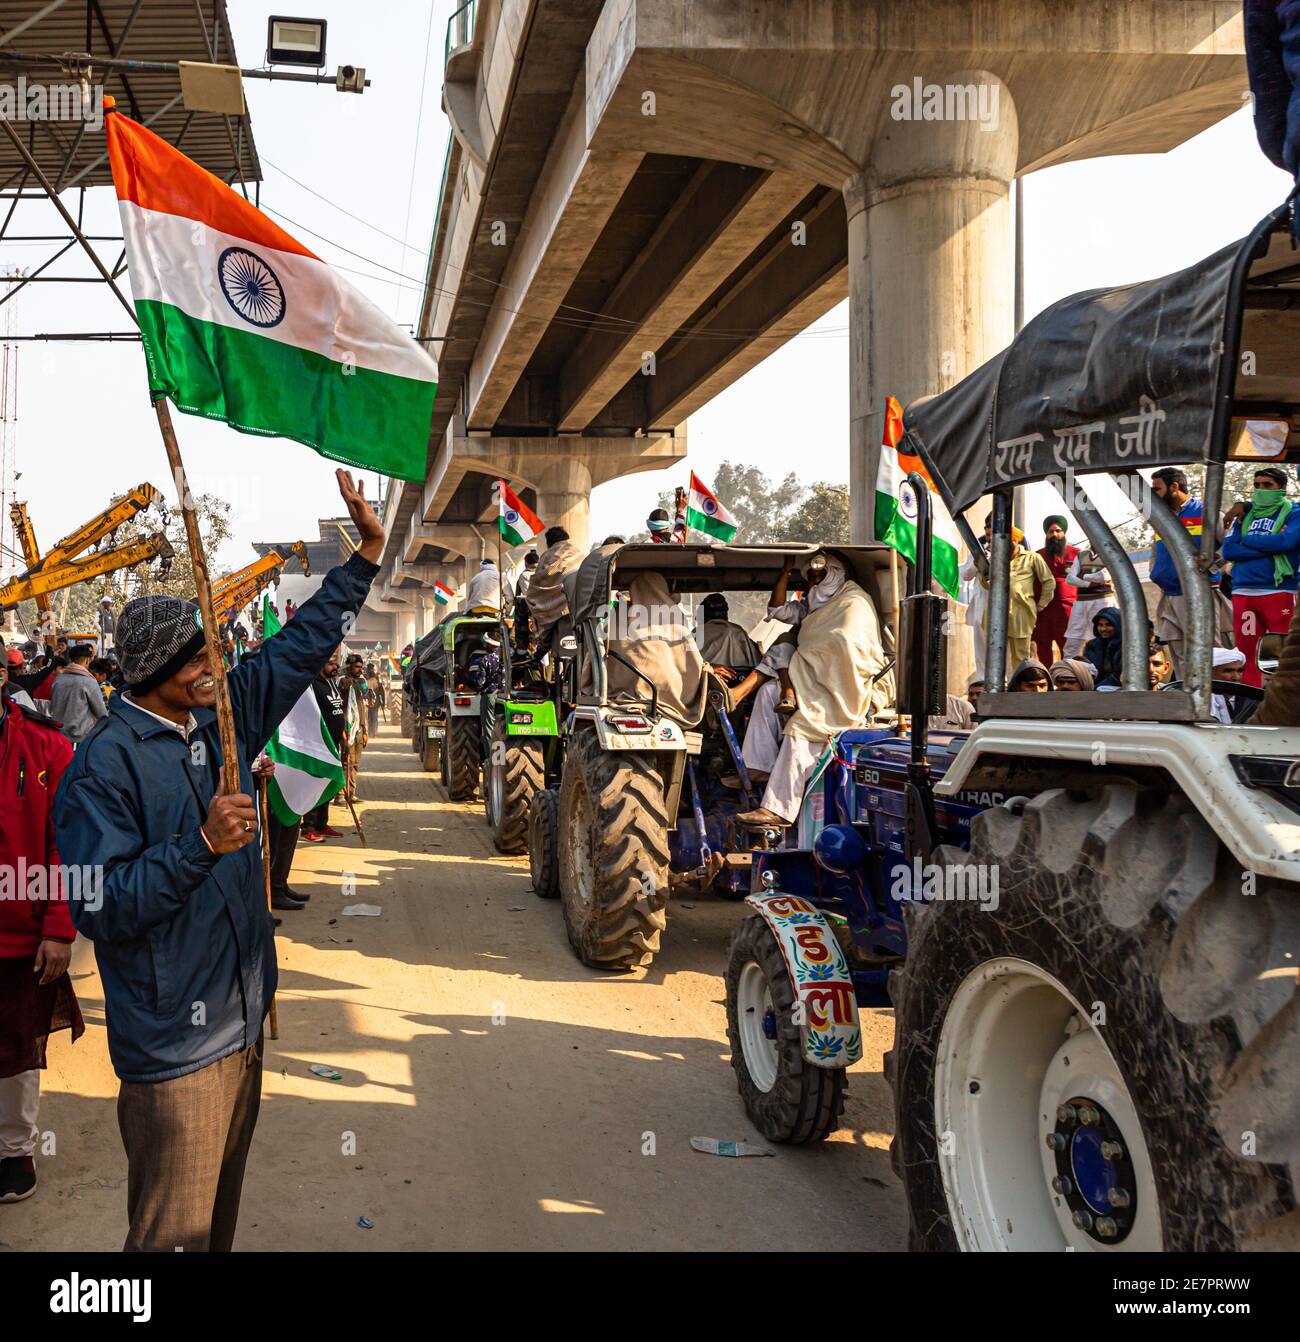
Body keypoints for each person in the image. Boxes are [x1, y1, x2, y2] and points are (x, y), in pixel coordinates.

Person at [52, 470, 383, 1252]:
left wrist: (364, 558)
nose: (211, 665)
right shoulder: (101, 767)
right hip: (176, 1050)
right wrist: (199, 846)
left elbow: (298, 647)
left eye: (210, 650)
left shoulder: (221, 719)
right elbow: (103, 906)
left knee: (215, 1231)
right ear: (147, 674)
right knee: (173, 1239)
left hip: (241, 1021)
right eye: (192, 658)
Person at [0, 669, 81, 1204]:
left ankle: (14, 1150)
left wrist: (58, 925)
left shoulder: (47, 745)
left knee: (16, 1046)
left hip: (21, 930)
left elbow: (66, 842)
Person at [738, 558, 891, 825]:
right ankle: (758, 768)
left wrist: (807, 658)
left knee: (802, 728)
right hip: (811, 675)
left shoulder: (853, 602)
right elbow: (776, 610)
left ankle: (777, 809)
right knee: (767, 693)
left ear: (835, 573)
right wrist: (785, 570)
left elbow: (842, 645)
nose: (815, 582)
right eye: (810, 577)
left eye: (819, 575)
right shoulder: (813, 606)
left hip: (843, 687)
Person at [1221, 465, 1300, 687]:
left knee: (1284, 653)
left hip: (1279, 590)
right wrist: (1272, 544)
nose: (1261, 489)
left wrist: (1246, 540)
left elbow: (1289, 542)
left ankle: (1284, 701)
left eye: (1267, 485)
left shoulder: (1294, 513)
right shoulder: (1244, 514)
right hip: (1243, 591)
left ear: (1282, 488)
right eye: (1256, 485)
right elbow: (1229, 551)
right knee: (1246, 654)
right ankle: (1248, 702)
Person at [1149, 467, 1232, 678]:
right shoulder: (1161, 518)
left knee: (1208, 655)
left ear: (1174, 487)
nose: (1153, 495)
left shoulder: (1207, 514)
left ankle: (1215, 706)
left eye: (1157, 489)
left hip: (1199, 596)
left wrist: (1210, 568)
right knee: (1179, 655)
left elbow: (1229, 547)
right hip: (1169, 596)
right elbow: (1155, 551)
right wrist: (1155, 573)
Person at [979, 526, 1055, 671]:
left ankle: (1019, 689)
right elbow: (986, 585)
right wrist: (984, 567)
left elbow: (1049, 581)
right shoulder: (995, 558)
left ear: (1014, 541)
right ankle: (996, 690)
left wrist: (1041, 604)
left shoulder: (1032, 558)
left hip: (1022, 614)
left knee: (1021, 658)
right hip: (995, 613)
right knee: (994, 656)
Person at [303, 647, 346, 843]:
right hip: (319, 745)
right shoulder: (313, 686)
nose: (335, 667)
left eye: (336, 663)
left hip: (333, 744)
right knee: (316, 785)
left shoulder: (332, 683)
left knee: (328, 783)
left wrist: (342, 730)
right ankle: (309, 826)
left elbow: (337, 710)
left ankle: (322, 824)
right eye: (330, 663)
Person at [1032, 516, 1079, 665]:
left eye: (1058, 531)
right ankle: (1047, 683)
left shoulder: (1076, 554)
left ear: (1064, 533)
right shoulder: (1036, 556)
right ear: (1046, 534)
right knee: (1042, 645)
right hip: (1043, 610)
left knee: (1068, 649)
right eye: (1051, 531)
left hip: (1067, 611)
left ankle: (1068, 679)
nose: (1054, 534)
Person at [48, 643, 107, 744]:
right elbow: (101, 713)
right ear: (87, 660)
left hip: (58, 736)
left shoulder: (58, 680)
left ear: (71, 659)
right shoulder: (89, 682)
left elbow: (52, 707)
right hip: (80, 738)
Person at [1062, 548, 1114, 656]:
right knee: (1073, 640)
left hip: (1103, 601)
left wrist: (1083, 576)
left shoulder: (1110, 552)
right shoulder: (1081, 555)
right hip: (1081, 602)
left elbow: (1104, 576)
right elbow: (1070, 579)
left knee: (1103, 637)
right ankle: (1070, 670)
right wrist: (1089, 583)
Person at [696, 594, 759, 677]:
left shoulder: (696, 633)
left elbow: (686, 664)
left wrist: (709, 668)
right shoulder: (738, 631)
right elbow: (758, 662)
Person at [958, 539, 989, 677]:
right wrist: (977, 561)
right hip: (981, 608)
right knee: (981, 647)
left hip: (1005, 609)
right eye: (988, 534)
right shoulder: (979, 551)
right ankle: (983, 680)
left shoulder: (1011, 552)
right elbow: (965, 575)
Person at [1083, 606, 1124, 688]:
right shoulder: (1092, 646)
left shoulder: (1127, 646)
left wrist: (1095, 689)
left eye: (1108, 625)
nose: (1103, 629)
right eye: (1100, 625)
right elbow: (1088, 673)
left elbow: (1117, 676)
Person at [1211, 646, 1248, 724]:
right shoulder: (1203, 702)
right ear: (1211, 673)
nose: (1236, 677)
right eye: (1228, 671)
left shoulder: (1247, 699)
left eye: (1240, 671)